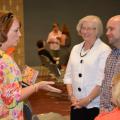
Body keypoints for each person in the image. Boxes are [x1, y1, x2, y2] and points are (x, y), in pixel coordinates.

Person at [0, 11, 61, 120]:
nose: (20, 34)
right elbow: (12, 97)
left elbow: (5, 88)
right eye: (16, 30)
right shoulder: (4, 60)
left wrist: (23, 80)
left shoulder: (5, 57)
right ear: (3, 31)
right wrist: (37, 86)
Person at [63, 15, 111, 120]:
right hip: (76, 104)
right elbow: (68, 76)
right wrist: (72, 97)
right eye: (83, 28)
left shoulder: (104, 50)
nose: (85, 31)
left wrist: (88, 99)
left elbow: (102, 81)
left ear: (97, 30)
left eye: (89, 28)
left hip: (95, 106)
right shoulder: (76, 48)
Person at [100, 15, 120, 113]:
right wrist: (102, 109)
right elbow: (105, 85)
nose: (107, 33)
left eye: (111, 29)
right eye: (107, 29)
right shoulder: (112, 54)